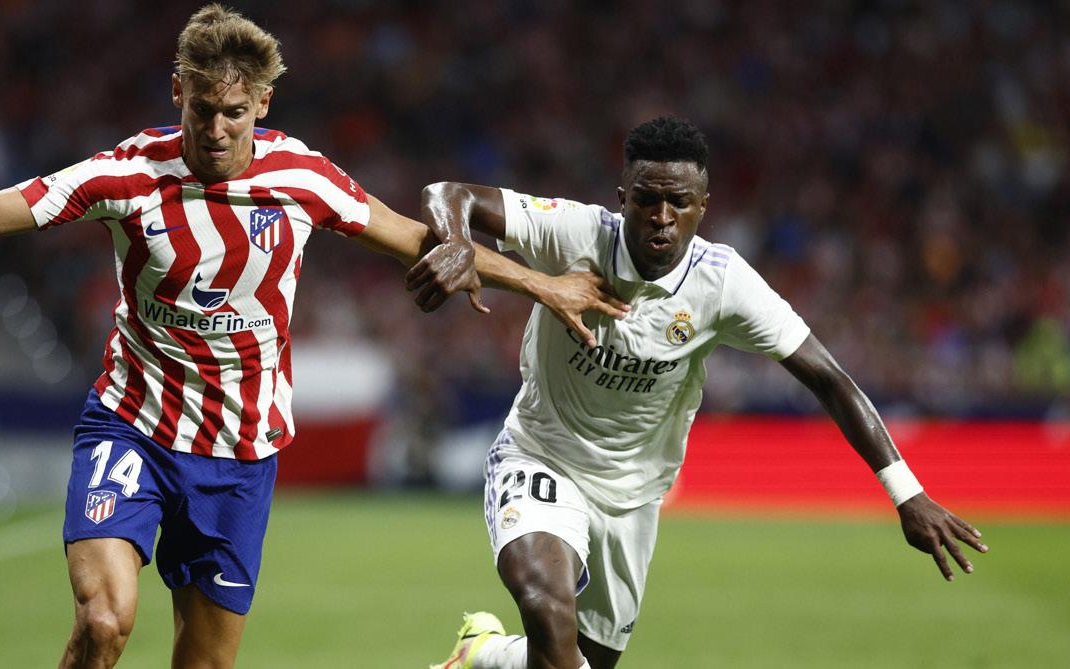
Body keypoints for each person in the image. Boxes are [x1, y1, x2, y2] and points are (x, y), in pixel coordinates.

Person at [0, 6, 622, 668]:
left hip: (239, 454)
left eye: (234, 112)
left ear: (262, 104)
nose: (215, 130)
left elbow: (422, 240)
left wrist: (544, 283)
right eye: (202, 109)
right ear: (178, 92)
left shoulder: (303, 177)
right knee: (104, 622)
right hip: (132, 426)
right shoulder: (128, 174)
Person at [423, 117, 989, 669]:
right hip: (541, 453)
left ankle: (485, 653)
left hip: (633, 493)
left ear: (703, 207)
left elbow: (829, 378)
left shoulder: (722, 282)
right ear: (622, 199)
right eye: (646, 199)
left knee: (576, 660)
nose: (661, 217)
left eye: (679, 202)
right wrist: (456, 243)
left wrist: (907, 494)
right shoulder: (575, 232)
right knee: (547, 609)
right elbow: (447, 194)